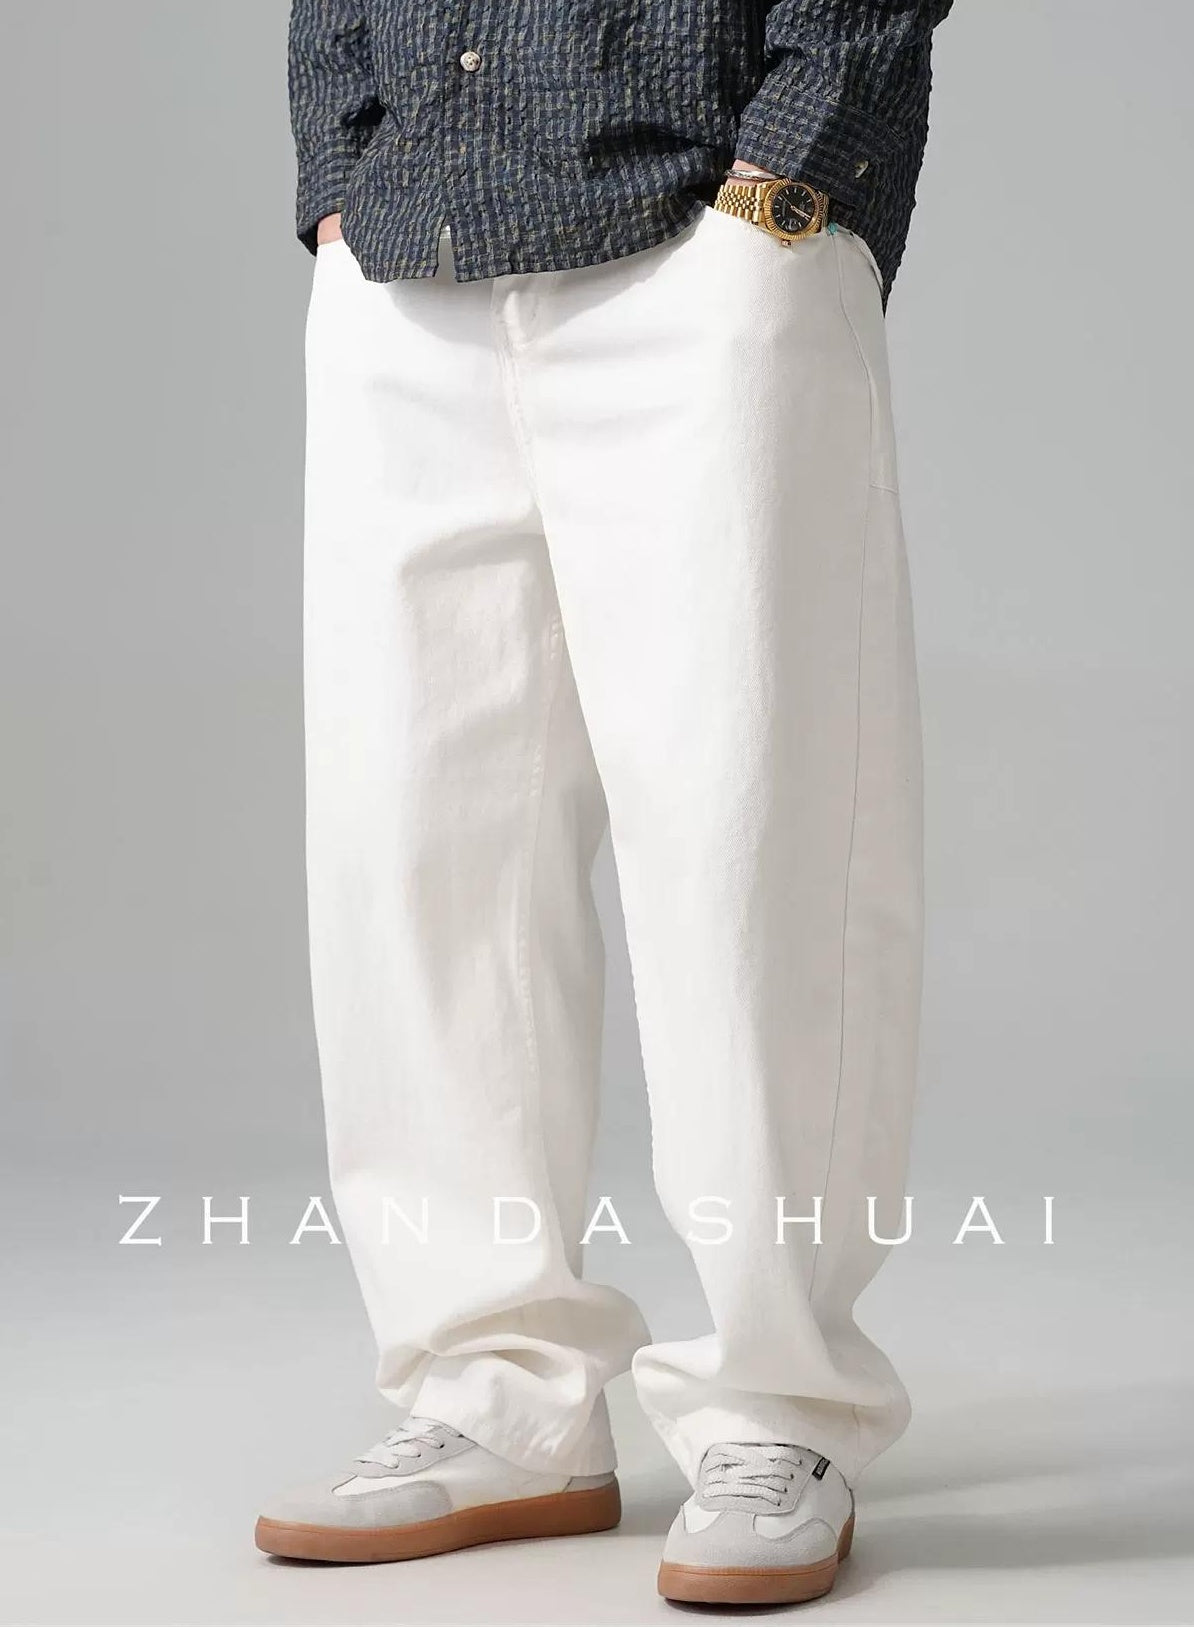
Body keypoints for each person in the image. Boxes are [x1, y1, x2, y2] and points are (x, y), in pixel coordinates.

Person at [255, 0, 953, 1607]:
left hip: (706, 235)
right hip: (407, 260)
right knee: (414, 848)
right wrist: (338, 173)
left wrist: (789, 181)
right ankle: (493, 1393)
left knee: (750, 837)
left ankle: (782, 1407)